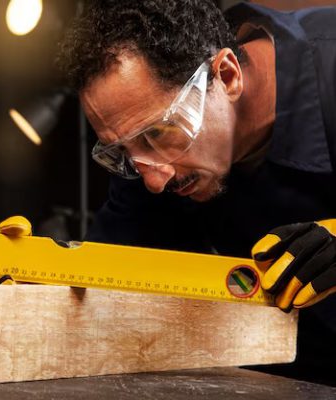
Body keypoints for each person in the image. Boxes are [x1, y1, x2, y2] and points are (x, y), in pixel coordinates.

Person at [57, 0, 336, 385]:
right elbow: (98, 271)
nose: (155, 182)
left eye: (158, 134)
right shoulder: (147, 149)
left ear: (227, 75)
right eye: (123, 153)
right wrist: (14, 280)